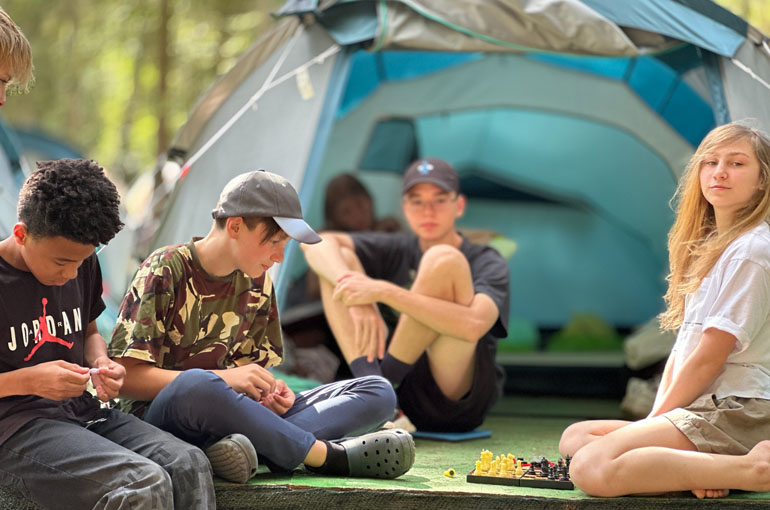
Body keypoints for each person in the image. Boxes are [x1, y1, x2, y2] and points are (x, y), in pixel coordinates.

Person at [109, 170, 415, 483]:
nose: (280, 257)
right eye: (274, 241)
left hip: (236, 422)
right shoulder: (165, 268)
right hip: (162, 421)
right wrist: (227, 379)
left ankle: (242, 451)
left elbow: (247, 370)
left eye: (286, 244)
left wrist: (267, 393)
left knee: (378, 391)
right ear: (236, 226)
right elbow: (124, 379)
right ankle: (324, 456)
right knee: (196, 385)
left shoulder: (258, 281)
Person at [559, 122, 770, 498]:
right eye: (710, 161)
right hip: (705, 404)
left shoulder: (752, 251)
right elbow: (683, 349)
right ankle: (705, 471)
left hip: (738, 408)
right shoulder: (711, 247)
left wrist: (652, 427)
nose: (719, 171)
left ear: (761, 182)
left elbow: (708, 357)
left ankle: (750, 470)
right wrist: (654, 421)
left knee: (590, 467)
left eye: (737, 163)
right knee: (576, 438)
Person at [0, 159, 215, 509]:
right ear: (22, 234)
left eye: (80, 261)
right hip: (14, 428)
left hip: (80, 411)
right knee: (142, 482)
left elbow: (89, 331)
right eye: (60, 262)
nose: (71, 274)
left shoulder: (81, 259)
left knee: (187, 463)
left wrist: (101, 361)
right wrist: (30, 381)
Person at [302, 158, 510, 432]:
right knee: (337, 260)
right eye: (416, 201)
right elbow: (316, 241)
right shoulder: (397, 247)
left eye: (439, 200)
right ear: (405, 208)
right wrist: (353, 288)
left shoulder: (486, 259)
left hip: (452, 400)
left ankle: (380, 387)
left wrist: (381, 291)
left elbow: (473, 326)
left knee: (444, 259)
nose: (428, 211)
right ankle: (376, 394)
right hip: (402, 400)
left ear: (458, 205)